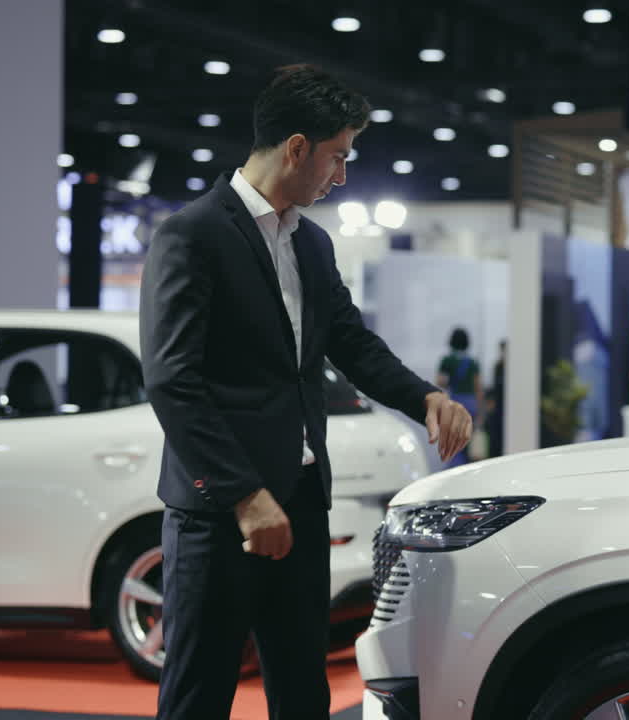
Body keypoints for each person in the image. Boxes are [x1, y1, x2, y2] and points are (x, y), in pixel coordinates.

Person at [139, 64, 472, 720]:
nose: (340, 176)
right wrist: (244, 497)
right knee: (198, 695)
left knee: (303, 695)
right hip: (220, 517)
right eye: (337, 157)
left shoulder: (312, 245)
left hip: (299, 503)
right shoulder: (192, 235)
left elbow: (351, 344)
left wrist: (424, 397)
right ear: (296, 147)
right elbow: (172, 381)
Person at [435, 328, 484, 465]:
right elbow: (478, 388)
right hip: (471, 404)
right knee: (469, 439)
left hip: (456, 402)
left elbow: (440, 381)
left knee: (455, 440)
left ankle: (455, 467)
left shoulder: (447, 360)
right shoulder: (472, 362)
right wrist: (480, 412)